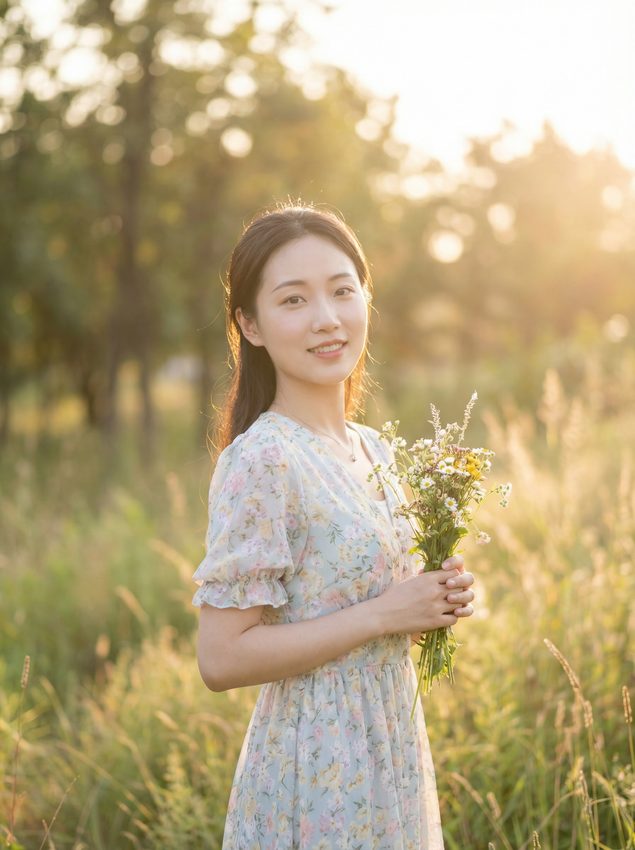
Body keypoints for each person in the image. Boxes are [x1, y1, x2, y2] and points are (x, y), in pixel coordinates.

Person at [192, 203, 476, 849]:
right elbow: (220, 656)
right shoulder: (263, 458)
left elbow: (373, 605)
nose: (326, 318)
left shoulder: (374, 449)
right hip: (316, 769)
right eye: (292, 300)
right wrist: (383, 615)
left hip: (391, 752)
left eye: (342, 291)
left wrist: (432, 600)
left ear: (365, 299)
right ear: (250, 324)